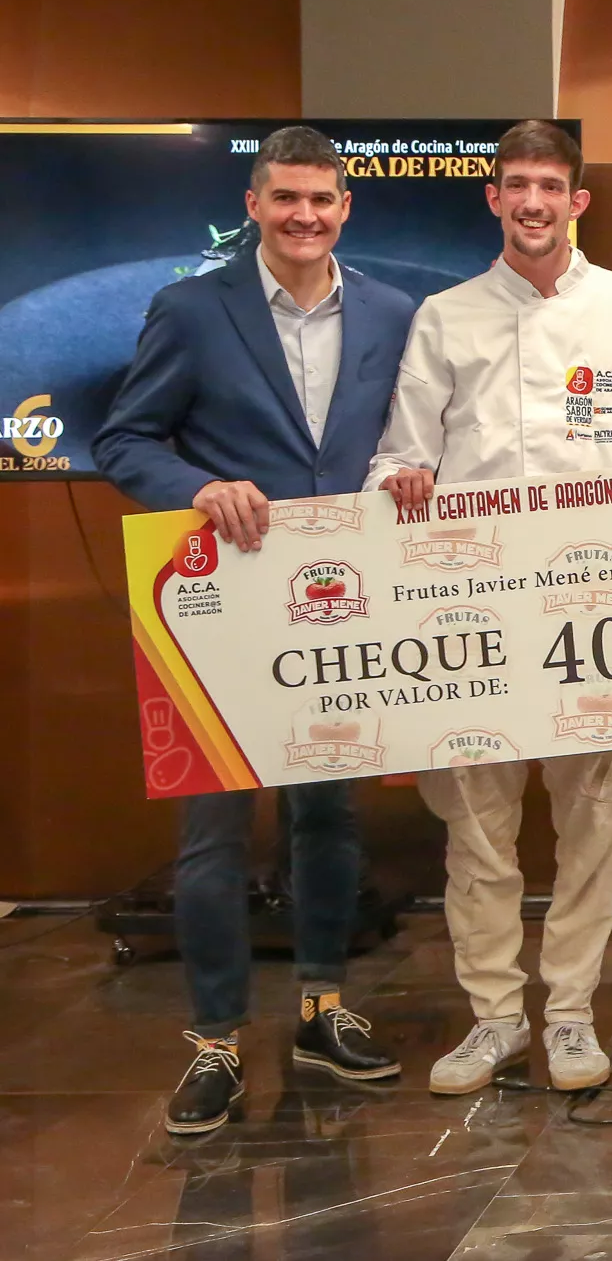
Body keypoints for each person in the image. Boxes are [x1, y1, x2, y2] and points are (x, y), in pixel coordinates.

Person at [367, 119, 612, 1097]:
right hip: (469, 608)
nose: (532, 203)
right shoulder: (448, 315)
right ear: (493, 198)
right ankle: (493, 1020)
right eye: (515, 185)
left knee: (593, 820)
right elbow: (401, 448)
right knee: (474, 827)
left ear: (577, 201)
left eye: (549, 187)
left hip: (598, 600)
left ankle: (566, 1017)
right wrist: (400, 477)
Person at [93, 126, 414, 1136]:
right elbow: (124, 438)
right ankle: (217, 1042)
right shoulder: (193, 310)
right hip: (222, 611)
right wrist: (199, 487)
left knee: (329, 820)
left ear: (345, 207)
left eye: (322, 200)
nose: (305, 217)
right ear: (255, 202)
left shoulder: (394, 314)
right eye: (287, 200)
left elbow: (414, 436)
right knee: (213, 835)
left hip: (342, 608)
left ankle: (322, 1007)